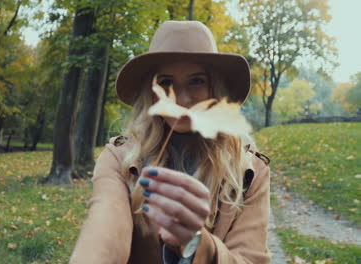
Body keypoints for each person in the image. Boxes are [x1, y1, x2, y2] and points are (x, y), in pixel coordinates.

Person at [69, 20, 271, 264]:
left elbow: (250, 259)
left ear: (214, 88)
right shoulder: (121, 158)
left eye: (197, 81)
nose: (181, 98)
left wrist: (198, 243)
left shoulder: (250, 170)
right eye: (166, 82)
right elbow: (105, 230)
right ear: (151, 92)